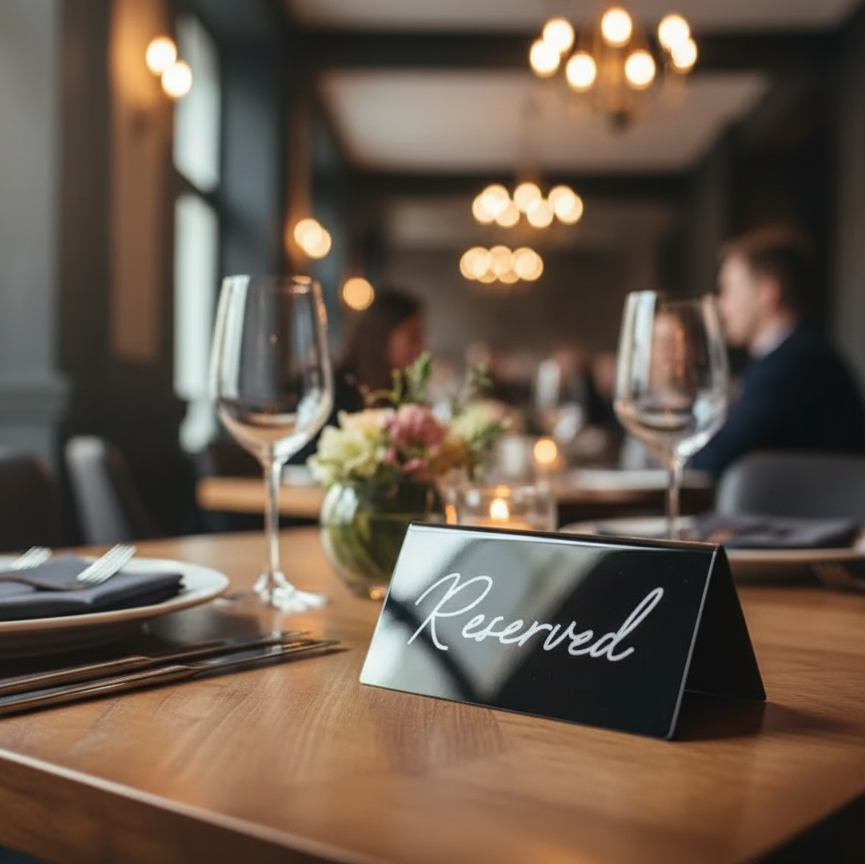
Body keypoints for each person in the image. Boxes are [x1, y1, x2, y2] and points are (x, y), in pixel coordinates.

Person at [689, 225, 865, 476]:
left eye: (727, 290)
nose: (720, 305)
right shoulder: (793, 355)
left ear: (766, 293)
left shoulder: (793, 364)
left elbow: (716, 459)